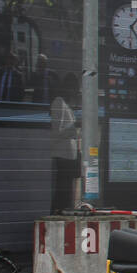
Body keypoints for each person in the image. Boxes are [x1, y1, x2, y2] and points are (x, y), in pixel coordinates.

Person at [49, 74, 79, 213]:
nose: (74, 92)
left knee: (68, 191)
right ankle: (57, 212)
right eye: (72, 89)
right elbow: (56, 132)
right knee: (62, 190)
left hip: (70, 155)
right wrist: (72, 130)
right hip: (62, 154)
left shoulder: (68, 105)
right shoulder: (59, 102)